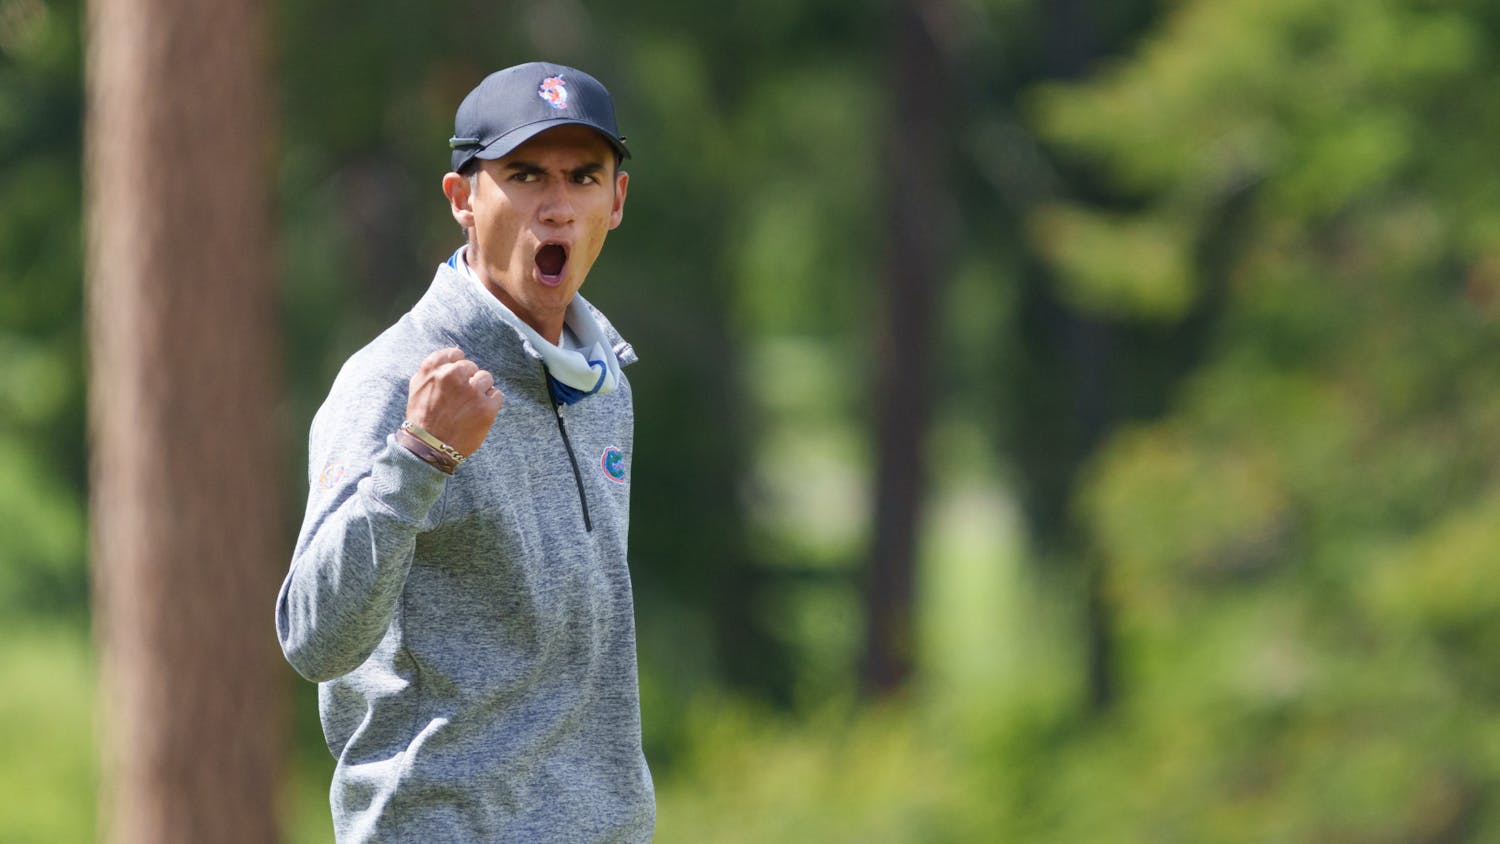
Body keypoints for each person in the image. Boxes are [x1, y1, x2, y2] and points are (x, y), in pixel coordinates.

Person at [275, 62, 654, 842]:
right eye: (523, 175)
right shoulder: (392, 381)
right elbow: (315, 639)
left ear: (615, 200)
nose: (556, 208)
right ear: (463, 200)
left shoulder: (604, 382)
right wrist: (419, 458)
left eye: (583, 177)